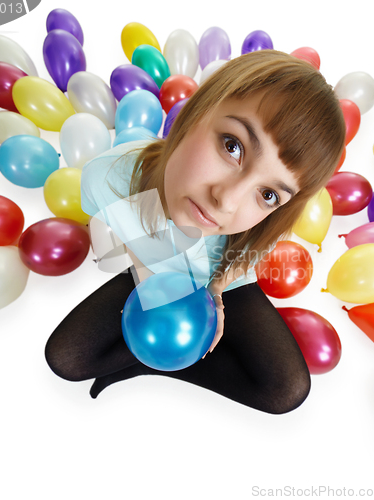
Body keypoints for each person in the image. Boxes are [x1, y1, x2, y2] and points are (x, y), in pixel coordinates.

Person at [45, 49, 345, 414]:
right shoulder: (107, 179)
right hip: (156, 268)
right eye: (232, 146)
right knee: (66, 359)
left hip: (218, 276)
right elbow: (118, 235)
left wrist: (216, 294)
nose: (226, 201)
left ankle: (148, 364)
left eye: (268, 194)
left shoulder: (250, 224)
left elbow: (246, 251)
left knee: (287, 390)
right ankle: (156, 357)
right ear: (197, 110)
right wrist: (148, 281)